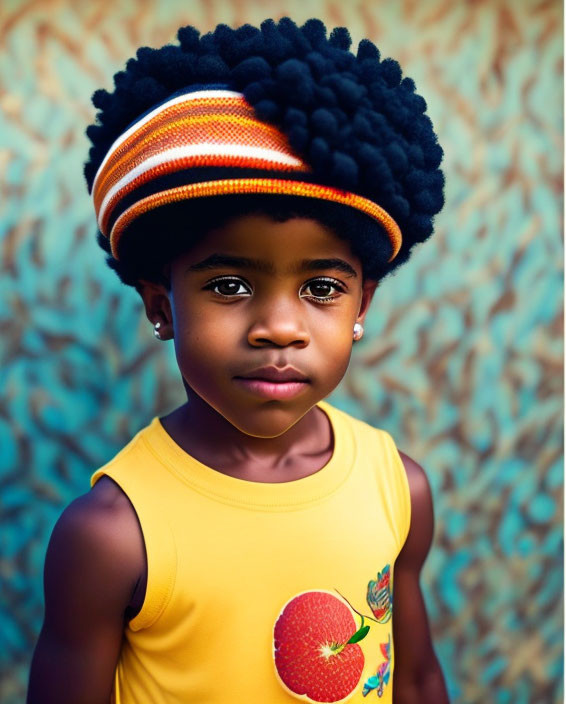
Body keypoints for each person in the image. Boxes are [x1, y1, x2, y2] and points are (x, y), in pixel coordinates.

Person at [27, 18, 449, 704]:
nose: (280, 328)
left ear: (362, 303)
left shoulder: (399, 487)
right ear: (161, 306)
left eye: (321, 289)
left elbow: (419, 675)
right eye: (230, 286)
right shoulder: (110, 534)